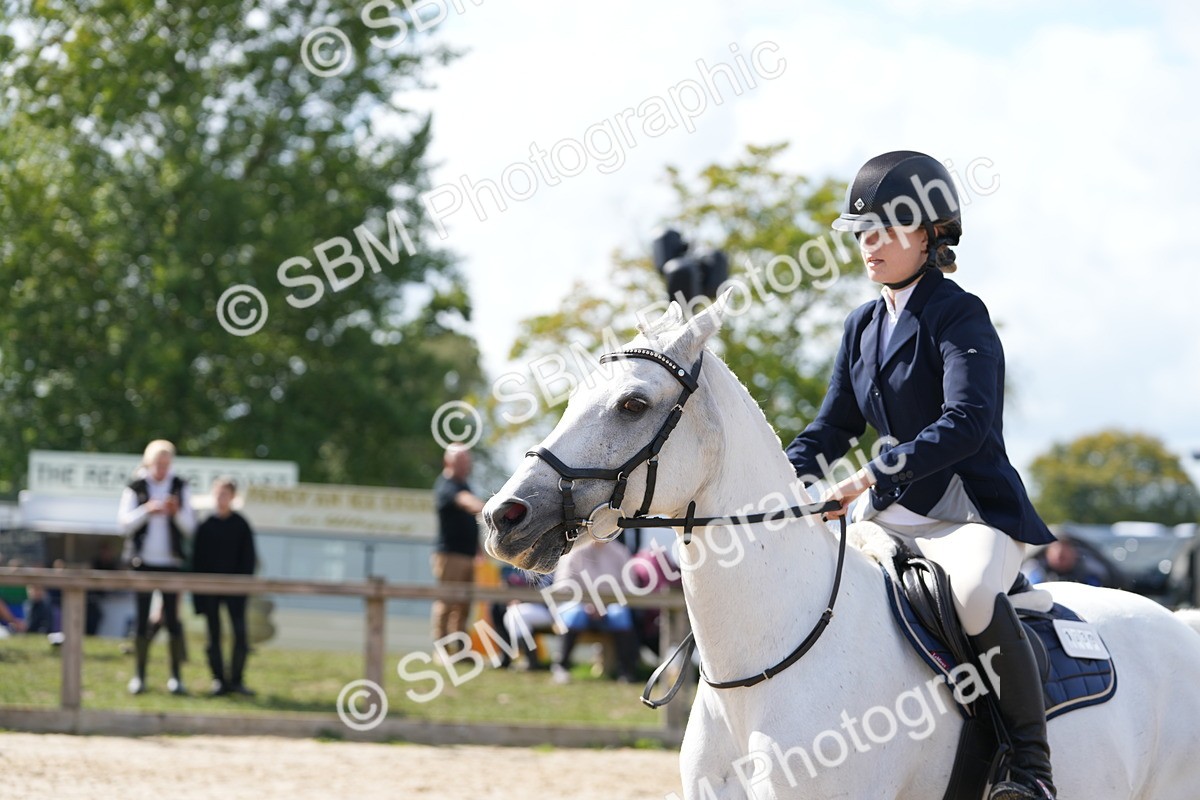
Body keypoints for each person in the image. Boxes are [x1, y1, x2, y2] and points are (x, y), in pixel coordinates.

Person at [785, 151, 1057, 800]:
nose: (869, 245)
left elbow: (967, 423)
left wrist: (872, 474)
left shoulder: (959, 315)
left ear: (931, 234)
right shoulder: (862, 326)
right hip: (893, 513)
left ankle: (1030, 770)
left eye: (885, 230)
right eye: (862, 233)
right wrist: (784, 479)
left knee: (968, 596)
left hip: (969, 512)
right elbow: (831, 430)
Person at [117, 439, 196, 695]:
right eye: (158, 463)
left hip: (171, 564)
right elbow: (124, 525)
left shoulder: (180, 486)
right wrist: (147, 510)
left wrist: (176, 513)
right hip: (143, 564)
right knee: (142, 621)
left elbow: (191, 527)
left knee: (173, 621)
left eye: (166, 463)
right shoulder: (136, 487)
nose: (162, 468)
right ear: (149, 463)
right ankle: (139, 676)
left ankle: (176, 677)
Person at [191, 477, 258, 696]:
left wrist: (241, 587)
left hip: (235, 590)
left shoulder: (241, 525)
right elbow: (197, 562)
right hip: (210, 590)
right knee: (213, 636)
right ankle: (218, 680)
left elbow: (248, 560)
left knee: (240, 634)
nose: (221, 498)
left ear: (233, 497)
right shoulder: (205, 526)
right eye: (218, 493)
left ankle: (237, 680)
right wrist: (198, 595)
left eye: (225, 494)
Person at [548, 536, 639, 685]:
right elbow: (562, 584)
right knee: (575, 614)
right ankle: (561, 667)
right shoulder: (574, 550)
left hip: (610, 606)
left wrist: (604, 604)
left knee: (620, 615)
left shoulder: (620, 551)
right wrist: (586, 603)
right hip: (578, 604)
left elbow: (630, 585)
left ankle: (626, 671)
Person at [431, 444, 484, 653]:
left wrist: (478, 549)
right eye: (462, 462)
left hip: (468, 554)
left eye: (467, 462)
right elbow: (466, 502)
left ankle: (460, 651)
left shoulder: (465, 484)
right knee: (447, 602)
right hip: (450, 555)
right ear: (449, 462)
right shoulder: (447, 485)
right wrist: (490, 508)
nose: (466, 466)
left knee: (463, 605)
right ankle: (441, 650)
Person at [1024, 537, 1116, 588]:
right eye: (1056, 554)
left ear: (1075, 554)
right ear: (1047, 555)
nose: (1059, 558)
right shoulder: (1035, 573)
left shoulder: (1089, 574)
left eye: (1064, 556)